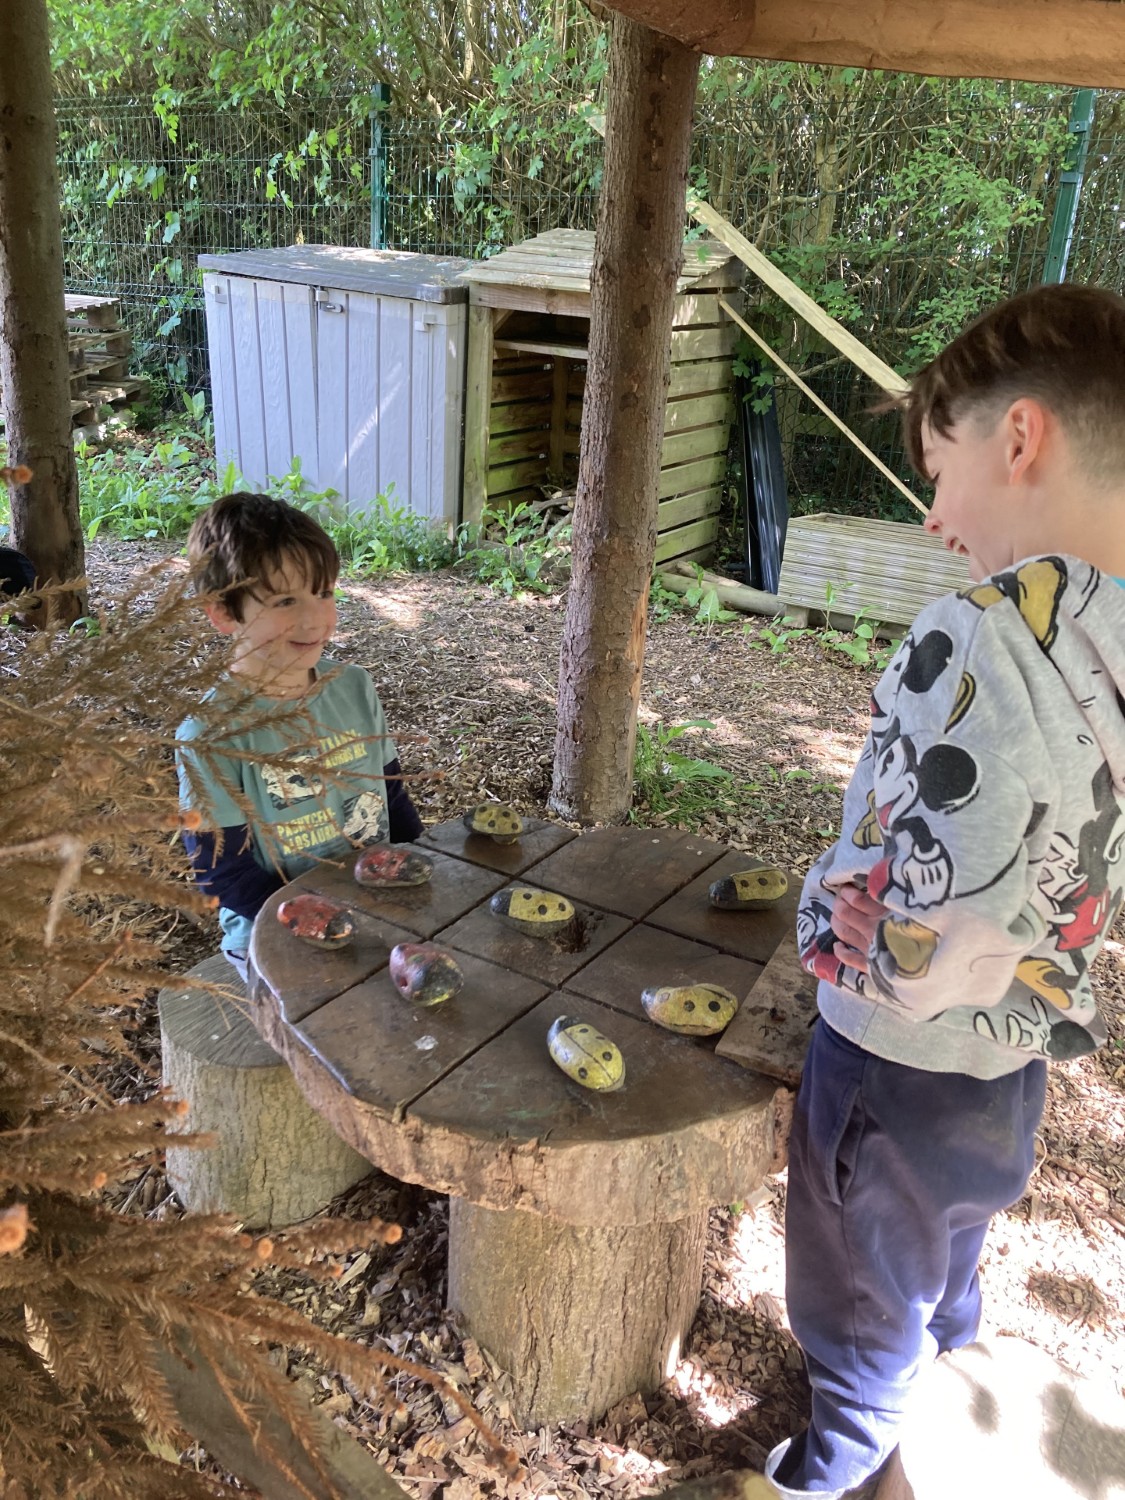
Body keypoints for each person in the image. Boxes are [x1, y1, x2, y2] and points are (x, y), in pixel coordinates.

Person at [767, 283, 1125, 1499]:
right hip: (1016, 1054)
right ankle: (954, 1350)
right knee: (947, 1235)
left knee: (858, 1280)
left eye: (938, 466)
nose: (933, 516)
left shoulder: (980, 633)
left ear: (1020, 437)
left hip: (895, 1056)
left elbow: (914, 895)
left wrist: (839, 920)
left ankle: (838, 1467)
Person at [176, 492, 422, 980]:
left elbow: (392, 796)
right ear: (223, 611)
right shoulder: (209, 734)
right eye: (286, 600)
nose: (313, 620)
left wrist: (418, 877)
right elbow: (222, 871)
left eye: (324, 593)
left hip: (379, 903)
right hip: (273, 931)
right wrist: (329, 922)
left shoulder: (353, 687)